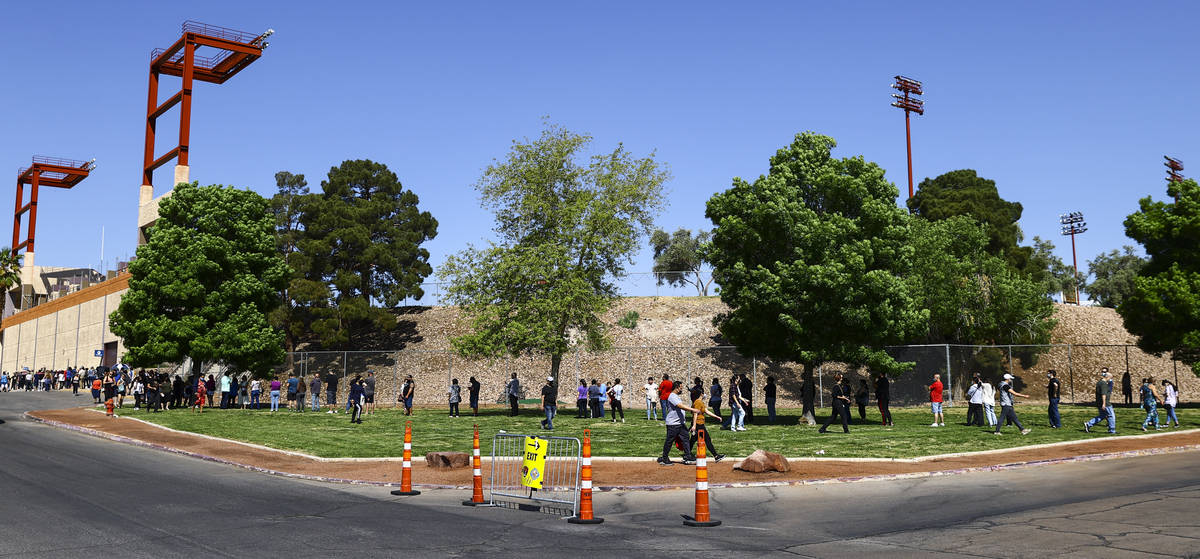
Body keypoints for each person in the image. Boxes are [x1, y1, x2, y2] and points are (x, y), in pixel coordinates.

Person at [658, 382, 697, 466]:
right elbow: (680, 406)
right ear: (676, 388)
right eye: (681, 388)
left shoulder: (676, 397)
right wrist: (693, 410)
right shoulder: (672, 396)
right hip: (673, 424)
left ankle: (688, 456)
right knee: (669, 441)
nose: (682, 389)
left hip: (680, 423)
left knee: (686, 438)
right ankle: (665, 459)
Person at [688, 387, 725, 462]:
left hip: (699, 424)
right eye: (704, 392)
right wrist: (694, 426)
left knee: (693, 440)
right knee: (707, 440)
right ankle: (716, 456)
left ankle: (687, 454)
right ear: (701, 394)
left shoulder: (700, 402)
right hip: (699, 424)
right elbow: (695, 414)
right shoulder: (698, 402)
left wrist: (716, 416)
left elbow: (706, 411)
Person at [1084, 370, 1116, 434]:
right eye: (1110, 378)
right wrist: (1104, 404)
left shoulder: (1099, 382)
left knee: (1102, 415)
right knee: (1111, 415)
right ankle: (1112, 430)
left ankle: (1089, 424)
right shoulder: (1104, 384)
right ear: (1107, 377)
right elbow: (1103, 394)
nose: (1110, 380)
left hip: (1099, 402)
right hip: (1105, 403)